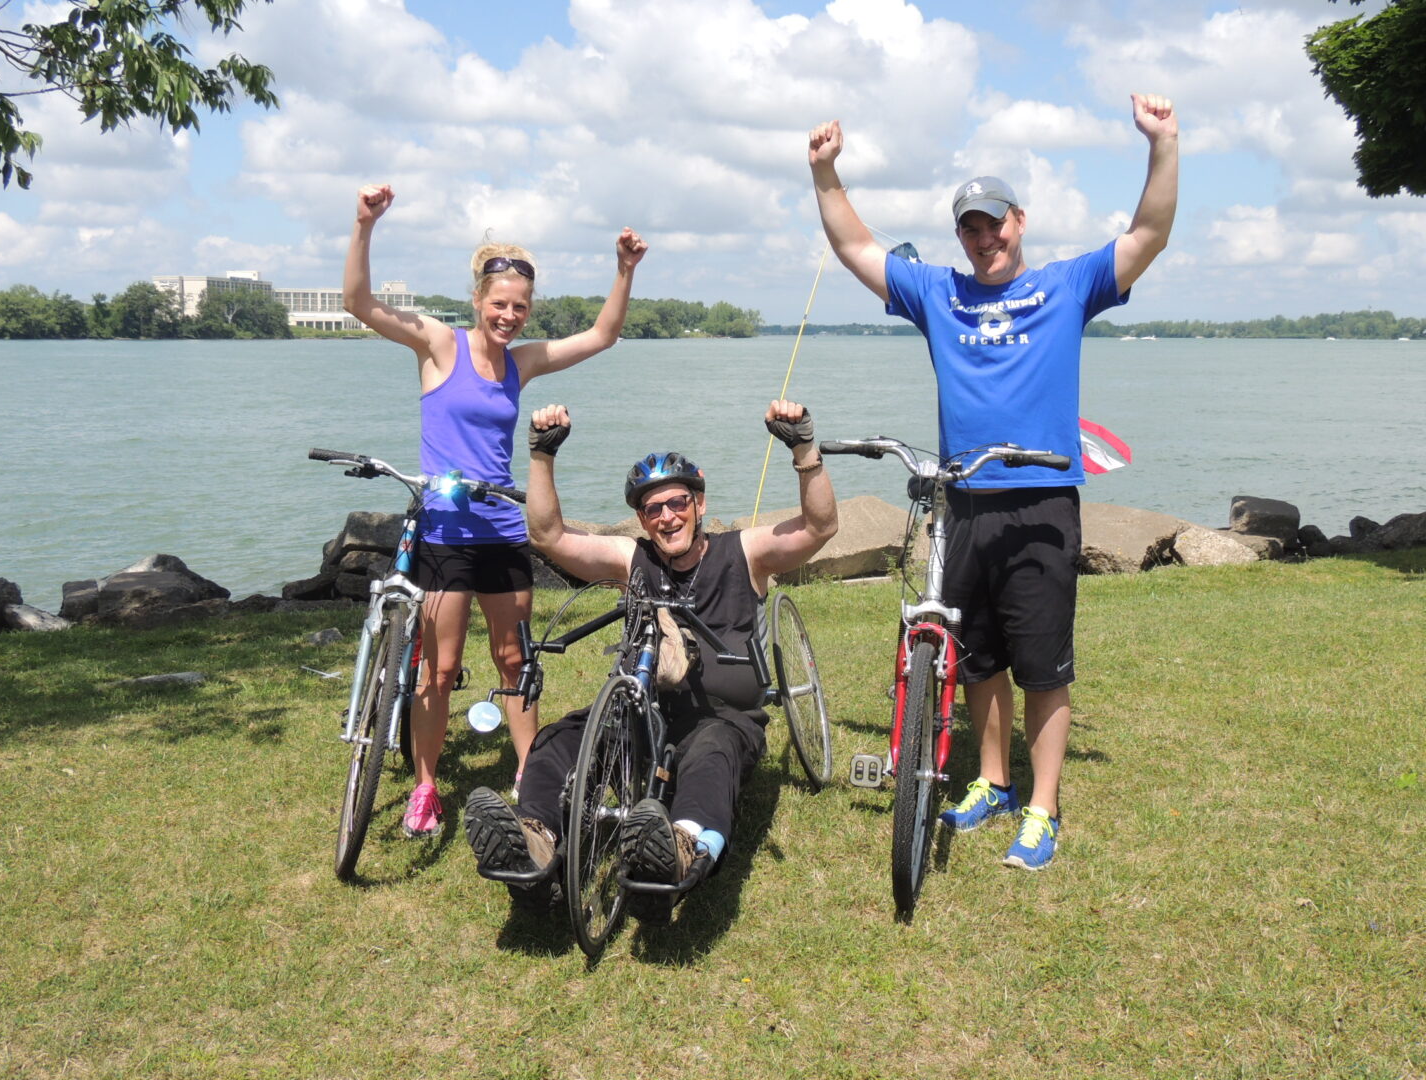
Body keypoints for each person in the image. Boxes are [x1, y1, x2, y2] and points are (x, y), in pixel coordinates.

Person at [806, 94, 1178, 870]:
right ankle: (995, 782)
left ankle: (1042, 809)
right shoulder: (939, 294)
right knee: (974, 657)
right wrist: (826, 172)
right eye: (970, 229)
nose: (984, 239)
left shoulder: (1066, 287)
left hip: (1041, 503)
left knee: (1043, 661)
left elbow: (1147, 235)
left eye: (995, 223)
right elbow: (857, 248)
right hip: (962, 502)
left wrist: (1163, 145)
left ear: (1020, 221)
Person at [343, 183, 648, 839]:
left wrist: (624, 271)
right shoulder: (437, 345)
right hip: (446, 533)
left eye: (520, 308)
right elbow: (358, 303)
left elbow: (603, 334)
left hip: (504, 530)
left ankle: (529, 777)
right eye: (499, 305)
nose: (509, 316)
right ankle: (425, 787)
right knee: (440, 667)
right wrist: (365, 224)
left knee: (515, 660)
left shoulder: (520, 364)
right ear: (477, 302)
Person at [462, 399, 838, 919]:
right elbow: (547, 535)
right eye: (653, 509)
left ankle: (679, 847)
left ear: (699, 504)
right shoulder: (631, 559)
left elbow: (819, 528)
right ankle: (534, 840)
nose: (668, 517)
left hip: (721, 719)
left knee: (710, 755)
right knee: (560, 740)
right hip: (640, 710)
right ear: (641, 519)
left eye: (678, 502)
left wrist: (803, 448)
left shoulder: (743, 552)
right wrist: (541, 456)